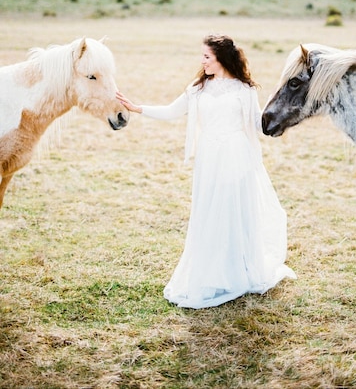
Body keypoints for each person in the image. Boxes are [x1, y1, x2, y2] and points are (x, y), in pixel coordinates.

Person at [116, 34, 296, 309]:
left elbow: (258, 124)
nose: (202, 61)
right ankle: (212, 273)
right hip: (209, 158)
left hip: (237, 156)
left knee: (234, 212)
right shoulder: (198, 88)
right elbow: (172, 111)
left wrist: (284, 114)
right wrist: (137, 108)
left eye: (207, 57)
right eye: (202, 56)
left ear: (221, 59)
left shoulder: (244, 90)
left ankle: (238, 271)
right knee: (209, 213)